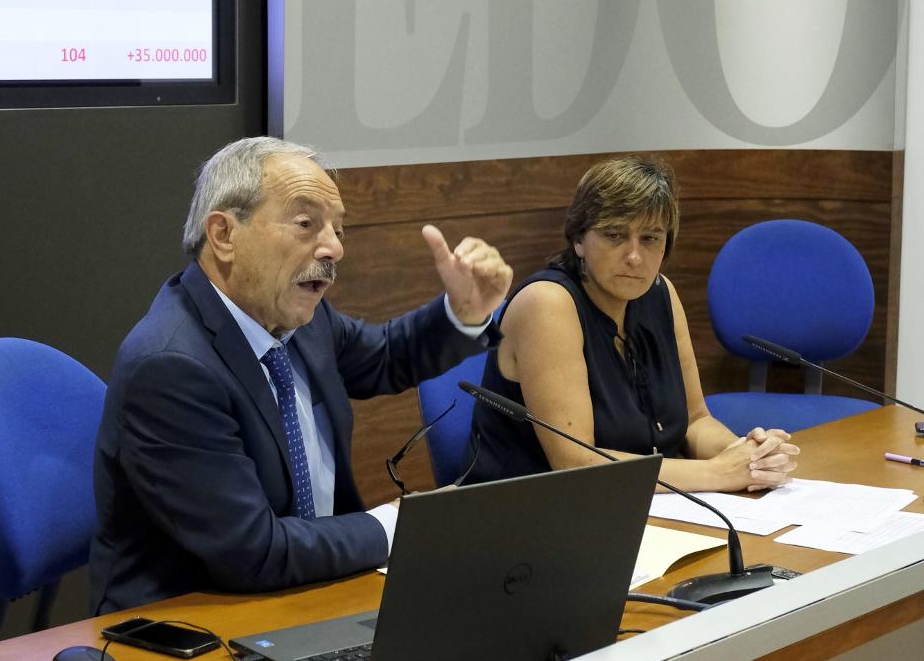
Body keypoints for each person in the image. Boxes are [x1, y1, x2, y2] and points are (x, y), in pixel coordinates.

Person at [89, 137, 513, 614]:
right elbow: (254, 551)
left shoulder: (298, 319)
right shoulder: (171, 367)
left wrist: (462, 313)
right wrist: (400, 525)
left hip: (311, 590)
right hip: (194, 626)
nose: (334, 247)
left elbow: (386, 357)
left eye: (338, 229)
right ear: (224, 234)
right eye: (307, 223)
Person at [461, 155, 799, 492]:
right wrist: (718, 473)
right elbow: (576, 463)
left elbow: (695, 422)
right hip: (533, 512)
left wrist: (748, 457)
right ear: (579, 240)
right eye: (614, 235)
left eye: (650, 238)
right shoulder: (547, 303)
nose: (635, 256)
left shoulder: (660, 293)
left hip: (646, 503)